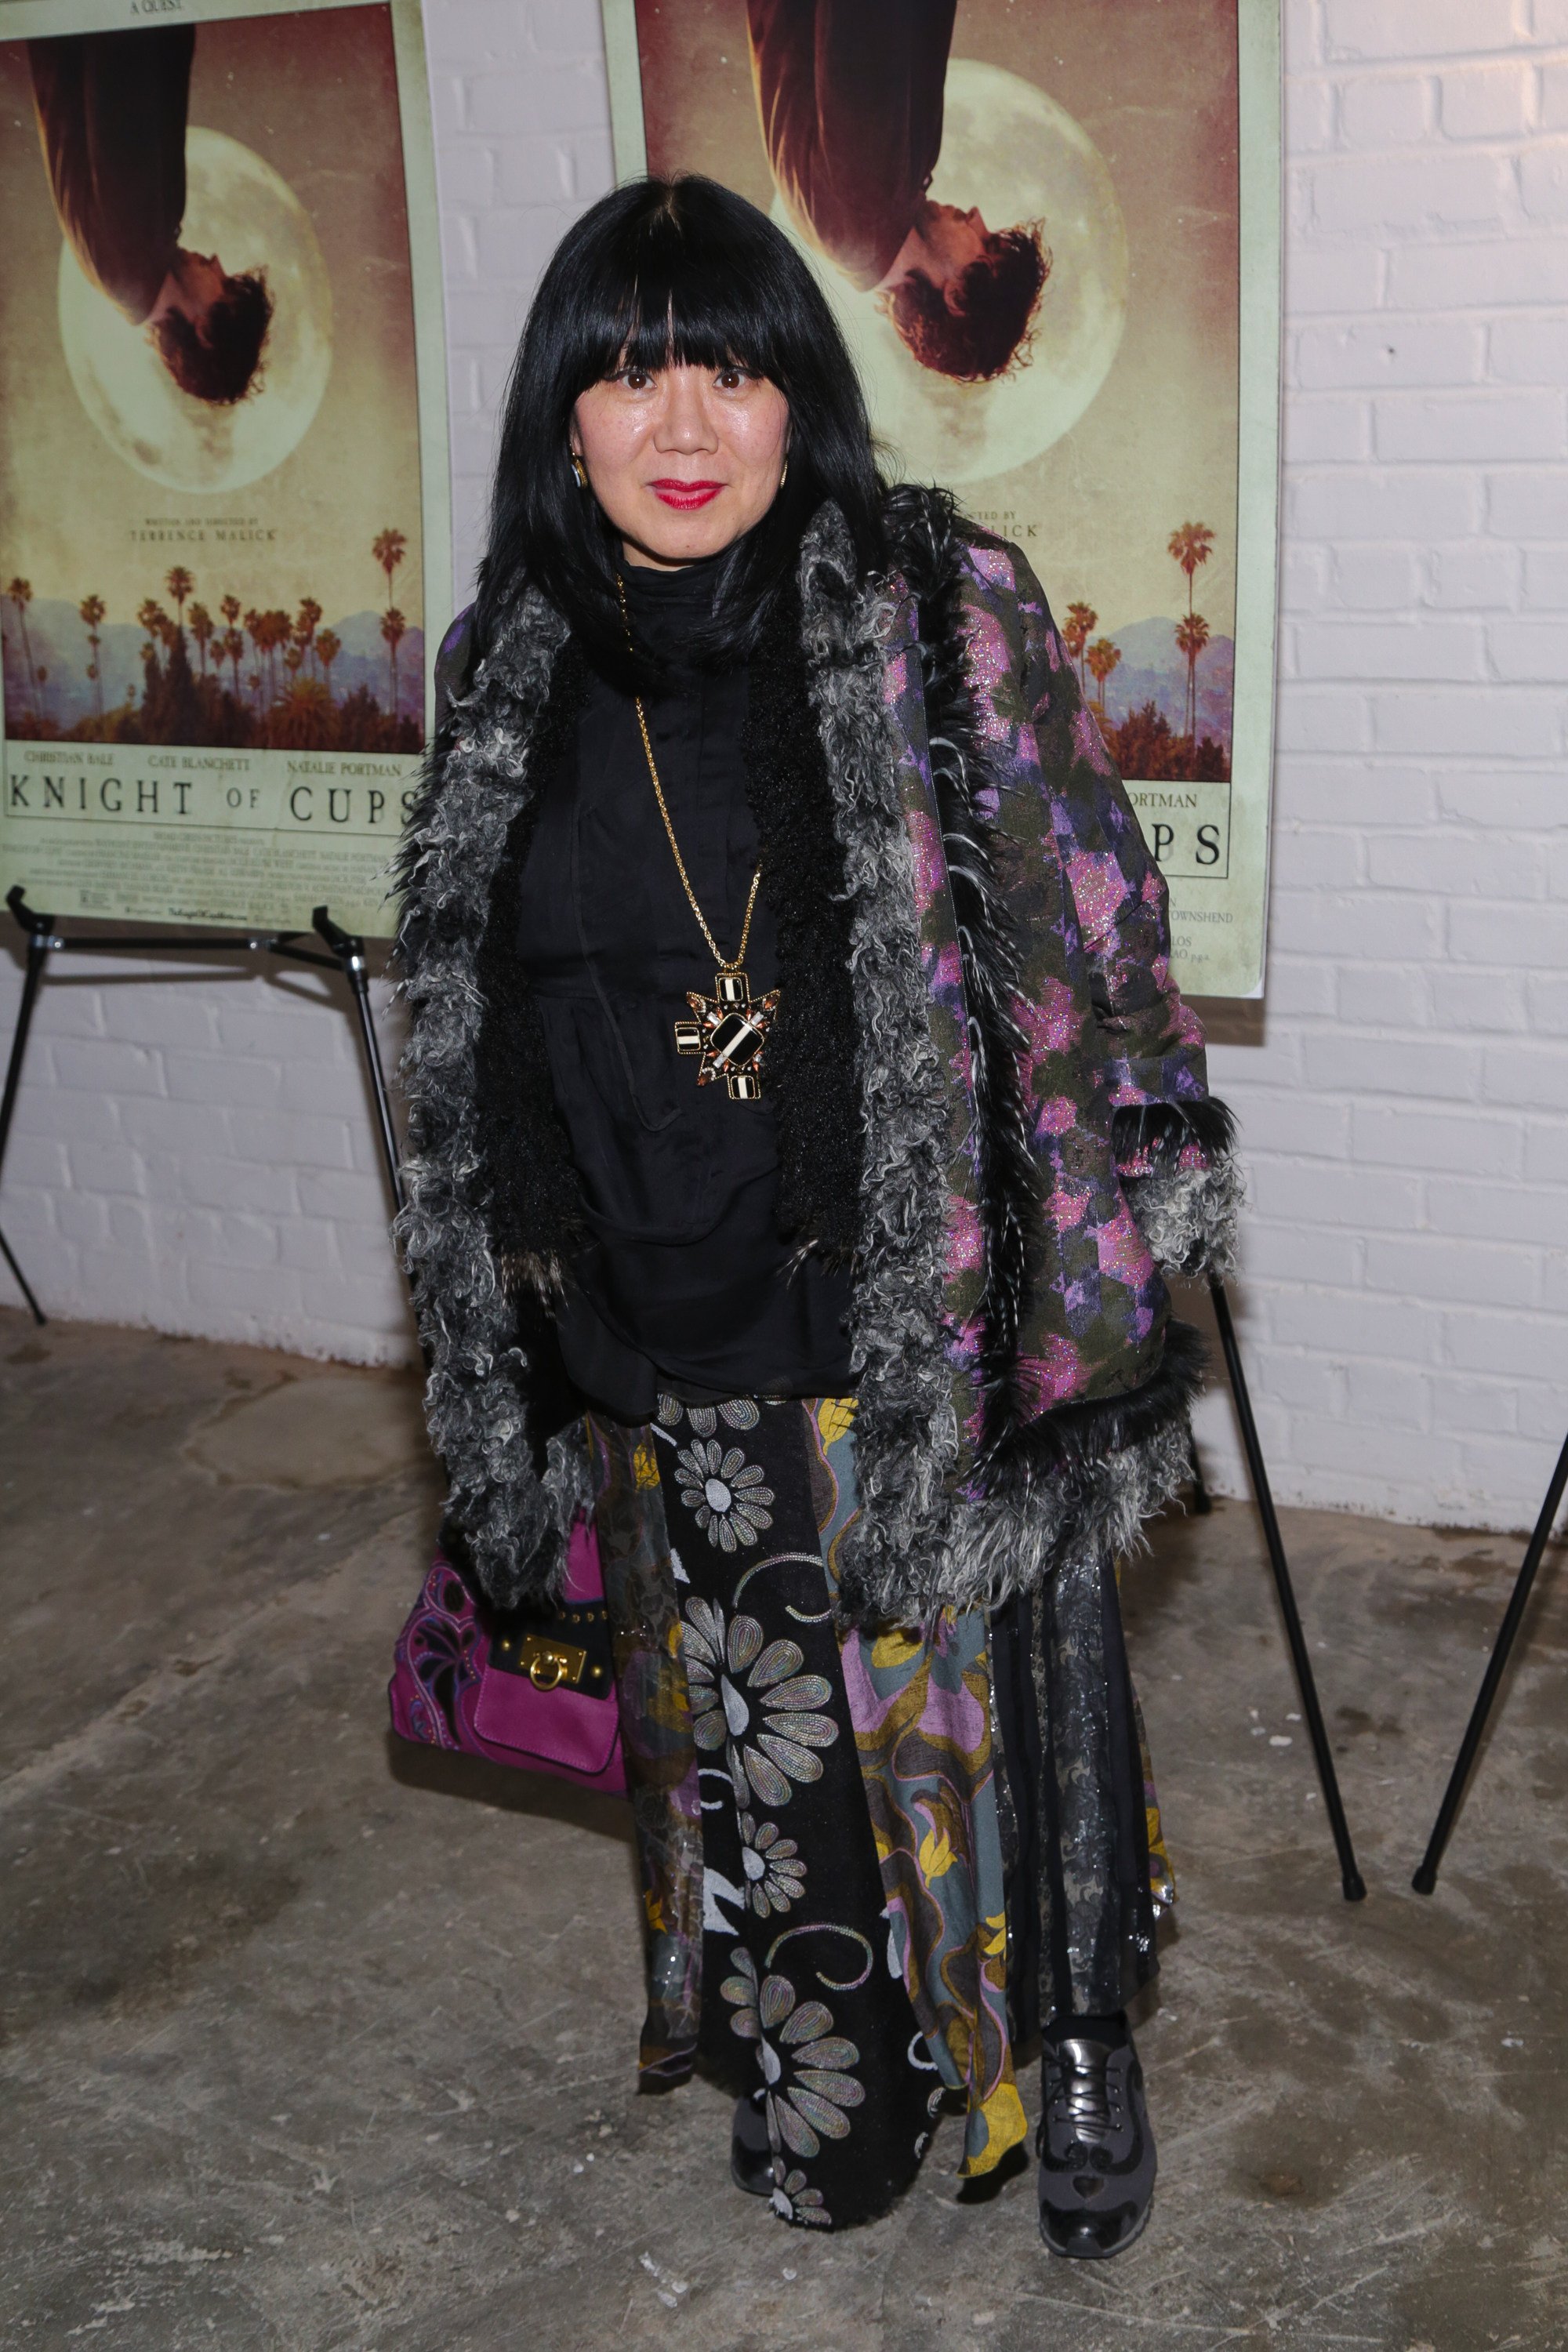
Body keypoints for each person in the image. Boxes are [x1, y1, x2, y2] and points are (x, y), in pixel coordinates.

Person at [396, 176, 1240, 2256]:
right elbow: (485, 1020)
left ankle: (1066, 2041)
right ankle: (837, 2098)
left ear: (803, 402)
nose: (684, 419)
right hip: (655, 1315)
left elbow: (1095, 916)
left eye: (737, 365)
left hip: (902, 1304)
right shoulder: (501, 663)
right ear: (559, 413)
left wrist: (1134, 1194)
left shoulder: (933, 607)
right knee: (768, 1756)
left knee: (977, 1727)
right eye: (626, 367)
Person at [745, 0, 1048, 381]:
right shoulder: (861, 229)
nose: (978, 217)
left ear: (955, 296)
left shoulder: (868, 200)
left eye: (984, 246)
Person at [27, 26, 273, 407]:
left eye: (224, 287)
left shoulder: (133, 256)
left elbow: (120, 60)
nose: (218, 264)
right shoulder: (137, 270)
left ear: (205, 330)